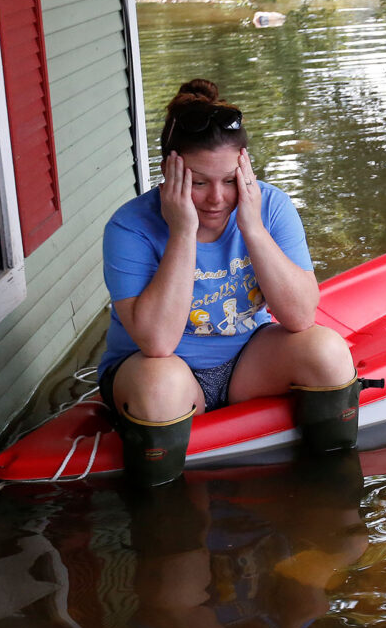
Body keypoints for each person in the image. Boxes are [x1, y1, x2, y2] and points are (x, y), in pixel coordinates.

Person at [98, 78, 360, 487]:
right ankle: (166, 525)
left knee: (327, 350)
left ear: (245, 166)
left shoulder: (270, 207)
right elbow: (158, 344)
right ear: (171, 170)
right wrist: (182, 232)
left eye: (229, 180)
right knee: (161, 383)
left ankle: (328, 496)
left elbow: (300, 316)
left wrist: (252, 228)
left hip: (248, 363)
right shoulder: (130, 227)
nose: (217, 199)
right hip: (157, 374)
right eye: (198, 183)